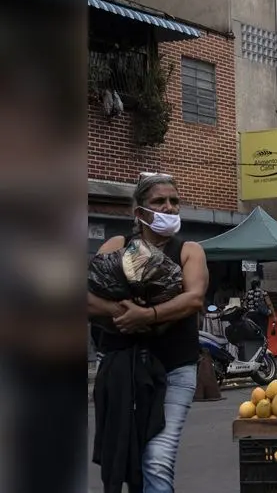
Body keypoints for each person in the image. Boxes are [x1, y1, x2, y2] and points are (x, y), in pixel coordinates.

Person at [89, 174, 208, 493]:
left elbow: (193, 298)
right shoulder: (116, 246)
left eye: (174, 201)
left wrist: (148, 315)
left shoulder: (189, 251)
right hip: (123, 369)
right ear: (139, 212)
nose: (169, 207)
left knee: (156, 458)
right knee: (128, 457)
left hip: (174, 369)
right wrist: (120, 313)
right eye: (159, 201)